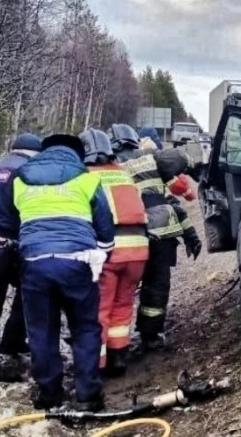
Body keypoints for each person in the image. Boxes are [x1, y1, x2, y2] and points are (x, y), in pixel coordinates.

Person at [13, 133, 115, 411]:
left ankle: (49, 394)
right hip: (77, 261)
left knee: (41, 330)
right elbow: (105, 226)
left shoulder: (20, 178)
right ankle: (88, 396)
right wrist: (103, 256)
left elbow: (12, 222)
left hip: (34, 261)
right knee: (84, 327)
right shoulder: (87, 178)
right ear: (77, 154)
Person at [109, 124, 202, 352]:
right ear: (134, 140)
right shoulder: (150, 156)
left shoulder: (106, 167)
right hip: (161, 232)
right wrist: (194, 165)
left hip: (125, 235)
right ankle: (150, 336)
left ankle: (112, 341)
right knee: (157, 285)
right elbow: (177, 161)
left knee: (119, 288)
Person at [80, 129, 149, 377]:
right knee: (123, 304)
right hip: (139, 249)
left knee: (100, 308)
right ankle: (118, 357)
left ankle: (96, 364)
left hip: (110, 249)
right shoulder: (123, 173)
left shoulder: (85, 176)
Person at [0, 133, 42, 381]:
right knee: (29, 292)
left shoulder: (1, 162)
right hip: (15, 241)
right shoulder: (29, 171)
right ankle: (11, 345)